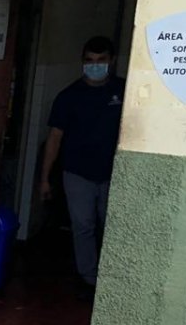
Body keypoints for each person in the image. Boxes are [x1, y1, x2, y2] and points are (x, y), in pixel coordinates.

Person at [39, 35, 125, 300]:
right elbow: (55, 138)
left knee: (111, 226)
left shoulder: (124, 92)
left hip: (115, 175)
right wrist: (44, 179)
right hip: (77, 173)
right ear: (82, 62)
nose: (95, 65)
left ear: (111, 61)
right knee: (83, 226)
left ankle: (112, 278)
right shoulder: (69, 96)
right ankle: (89, 278)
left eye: (101, 60)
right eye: (90, 60)